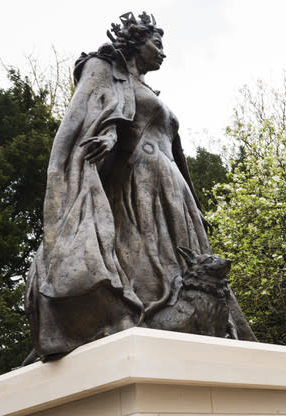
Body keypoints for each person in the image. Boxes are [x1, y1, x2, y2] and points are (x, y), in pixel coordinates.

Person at [25, 11, 254, 361]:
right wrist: (107, 134)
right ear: (135, 42)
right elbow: (83, 117)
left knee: (182, 260)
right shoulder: (104, 69)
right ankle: (140, 315)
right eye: (156, 44)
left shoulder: (147, 89)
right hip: (136, 182)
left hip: (170, 187)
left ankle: (194, 318)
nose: (163, 52)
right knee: (148, 256)